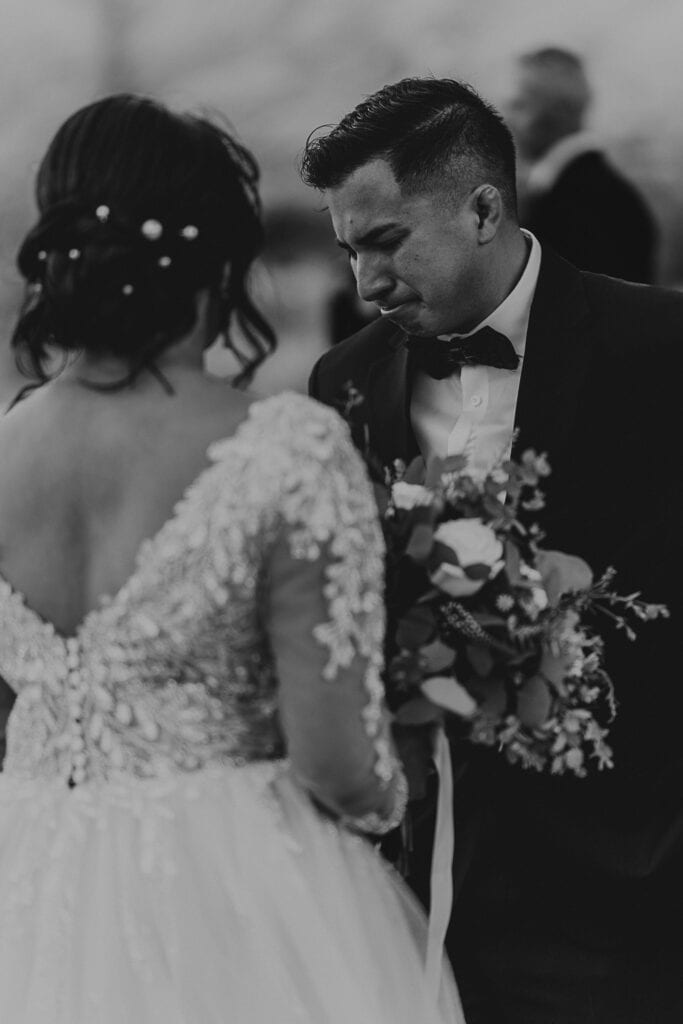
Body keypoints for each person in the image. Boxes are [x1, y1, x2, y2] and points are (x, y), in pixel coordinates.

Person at [0, 94, 463, 1023]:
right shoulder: (282, 447)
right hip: (236, 891)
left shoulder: (8, 446)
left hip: (38, 875)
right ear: (218, 261)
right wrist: (405, 776)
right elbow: (336, 763)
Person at [302, 76, 683, 1024]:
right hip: (424, 873)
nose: (366, 284)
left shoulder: (662, 346)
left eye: (386, 243)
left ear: (482, 209)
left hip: (631, 875)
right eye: (349, 252)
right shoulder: (342, 381)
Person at [505, 47, 657, 283]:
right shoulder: (608, 193)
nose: (507, 119)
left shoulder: (572, 205)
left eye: (520, 105)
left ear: (558, 112)